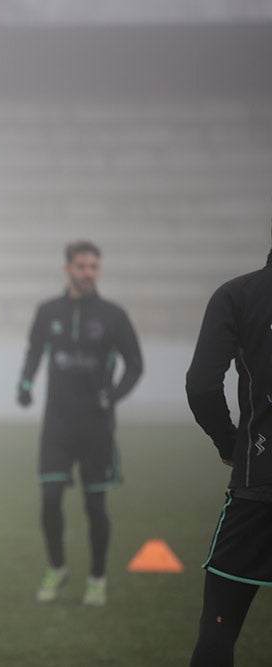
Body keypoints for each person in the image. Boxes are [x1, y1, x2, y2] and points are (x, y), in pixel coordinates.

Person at [16, 240, 143, 606]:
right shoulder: (48, 311)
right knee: (50, 499)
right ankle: (57, 568)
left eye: (94, 267)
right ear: (68, 269)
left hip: (96, 428)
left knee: (94, 506)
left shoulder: (113, 316)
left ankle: (97, 578)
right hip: (56, 425)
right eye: (82, 266)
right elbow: (34, 351)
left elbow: (135, 364)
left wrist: (113, 396)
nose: (88, 272)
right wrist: (24, 385)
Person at [186, 229, 272, 666]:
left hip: (259, 486)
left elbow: (201, 386)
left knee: (219, 632)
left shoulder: (238, 295)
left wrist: (230, 442)